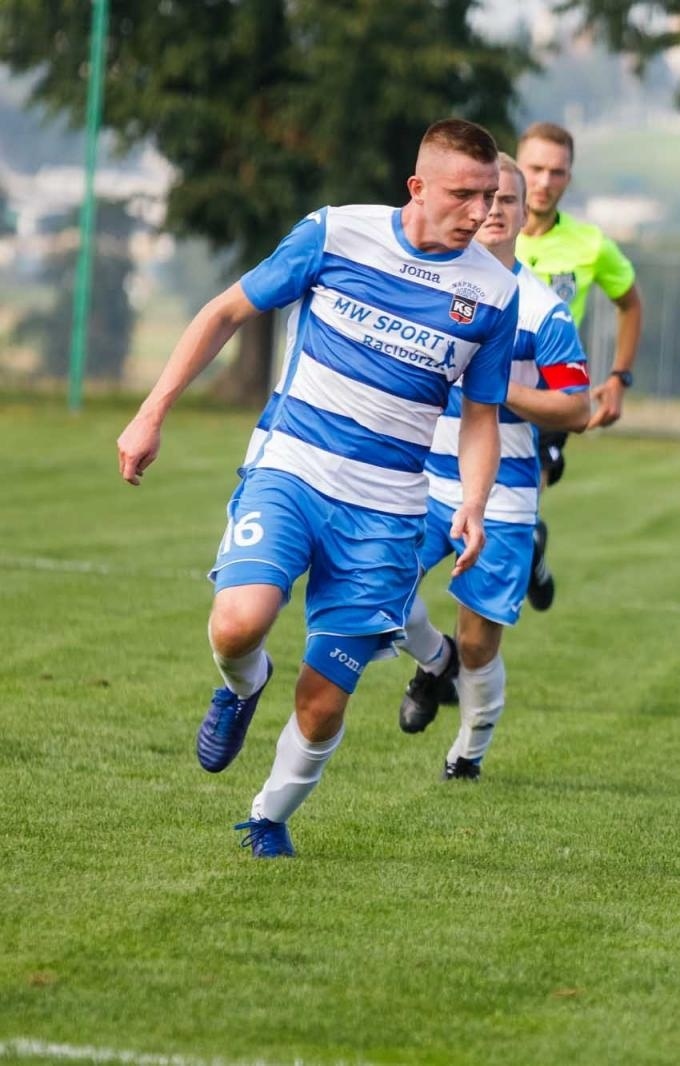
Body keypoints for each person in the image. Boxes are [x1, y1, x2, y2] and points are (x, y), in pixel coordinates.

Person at [115, 120, 518, 858]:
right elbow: (227, 311)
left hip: (389, 511)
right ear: (417, 188)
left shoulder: (494, 292)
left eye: (490, 196)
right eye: (464, 194)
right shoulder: (335, 234)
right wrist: (152, 412)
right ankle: (241, 687)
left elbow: (482, 416)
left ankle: (267, 818)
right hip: (292, 469)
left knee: (325, 699)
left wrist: (472, 501)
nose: (480, 212)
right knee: (238, 623)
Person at [395, 153, 590, 779]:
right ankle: (433, 661)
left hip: (502, 491)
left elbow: (576, 407)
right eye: (487, 198)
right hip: (419, 476)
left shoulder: (541, 311)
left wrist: (497, 386)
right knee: (375, 588)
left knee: (481, 640)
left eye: (509, 200)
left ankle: (469, 752)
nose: (495, 211)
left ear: (521, 209)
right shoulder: (425, 282)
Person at [513, 121, 644, 611]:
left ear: (569, 178)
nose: (544, 181)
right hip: (483, 391)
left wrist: (618, 377)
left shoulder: (590, 245)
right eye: (535, 168)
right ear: (515, 167)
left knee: (519, 500)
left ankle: (525, 544)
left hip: (552, 396)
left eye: (557, 172)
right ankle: (529, 547)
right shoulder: (481, 233)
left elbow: (630, 304)